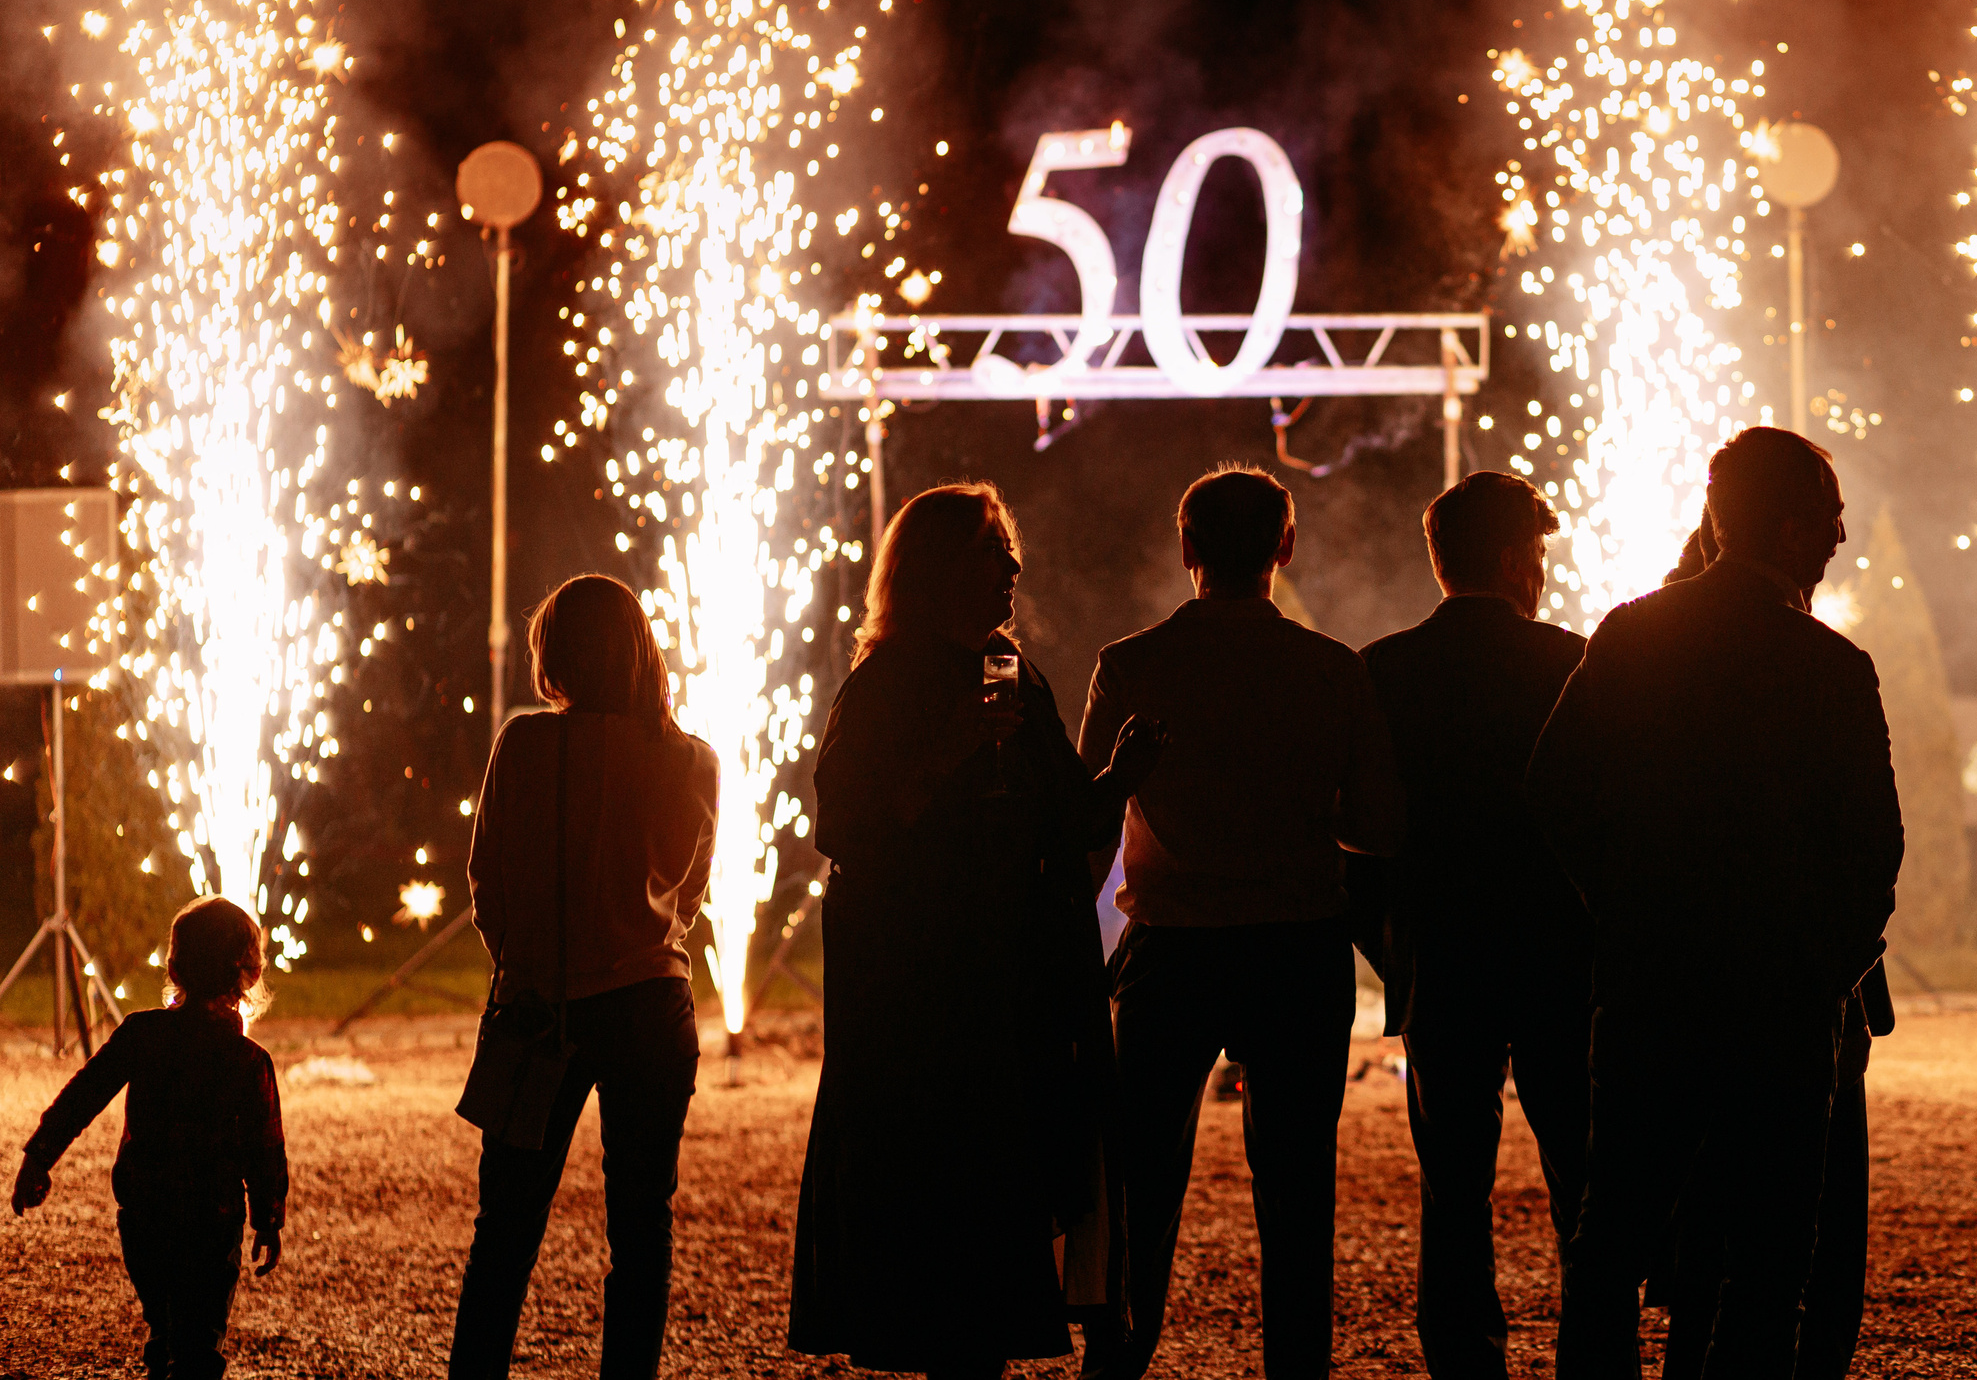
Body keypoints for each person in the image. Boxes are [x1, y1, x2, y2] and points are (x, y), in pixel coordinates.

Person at [1529, 425, 1904, 1379]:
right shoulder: (1830, 665)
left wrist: (1620, 908)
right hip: (1781, 1003)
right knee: (1770, 1257)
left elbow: (1554, 792)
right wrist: (1825, 963)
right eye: (1828, 518)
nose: (1840, 538)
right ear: (1785, 529)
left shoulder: (1631, 632)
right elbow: (1874, 848)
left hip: (1651, 987)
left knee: (1611, 1241)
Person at [790, 483, 1165, 1380]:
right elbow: (843, 827)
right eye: (992, 550)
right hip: (919, 983)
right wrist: (948, 750)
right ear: (937, 567)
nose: (1013, 568)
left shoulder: (1016, 674)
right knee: (937, 1181)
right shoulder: (884, 682)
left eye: (1010, 552)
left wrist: (1120, 774)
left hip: (1005, 977)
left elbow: (1067, 819)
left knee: (1002, 1179)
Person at [1078, 465, 1406, 1380]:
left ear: (1187, 549)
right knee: (1298, 1189)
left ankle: (1120, 1358)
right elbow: (1377, 826)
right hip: (1295, 944)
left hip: (1170, 946)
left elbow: (1091, 817)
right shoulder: (1332, 670)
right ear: (1284, 547)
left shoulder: (1130, 664)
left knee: (1140, 1183)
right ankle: (1295, 1368)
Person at [449, 574, 718, 1380]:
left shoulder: (524, 745)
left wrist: (526, 958)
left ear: (556, 654)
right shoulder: (693, 758)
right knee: (642, 1223)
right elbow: (691, 892)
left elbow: (485, 881)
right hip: (651, 1003)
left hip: (542, 1005)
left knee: (505, 1225)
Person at [1353, 471, 1590, 1380]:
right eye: (1535, 551)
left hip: (1444, 957)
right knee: (1582, 1176)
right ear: (1507, 558)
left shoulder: (1385, 667)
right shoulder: (1569, 657)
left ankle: (1465, 1359)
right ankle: (1590, 1351)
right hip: (1557, 956)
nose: (1541, 568)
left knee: (1454, 1186)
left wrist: (1394, 950)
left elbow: (1362, 833)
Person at [12, 895, 287, 1380]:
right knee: (199, 1344)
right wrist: (268, 1218)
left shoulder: (142, 1033)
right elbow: (265, 1149)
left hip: (144, 1216)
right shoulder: (249, 1061)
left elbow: (84, 1094)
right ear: (247, 973)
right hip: (211, 1221)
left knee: (166, 1327)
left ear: (175, 966)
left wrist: (39, 1156)